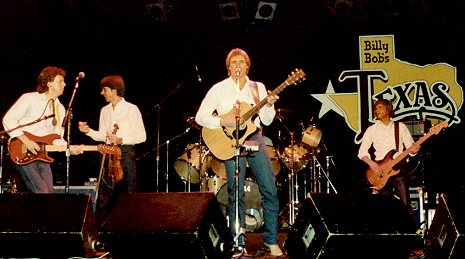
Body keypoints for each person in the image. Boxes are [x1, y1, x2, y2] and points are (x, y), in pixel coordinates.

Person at [195, 48, 283, 258]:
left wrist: (269, 106)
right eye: (233, 62)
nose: (237, 65)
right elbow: (200, 117)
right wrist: (222, 121)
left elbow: (267, 120)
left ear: (247, 66)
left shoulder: (257, 88)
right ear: (228, 69)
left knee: (269, 188)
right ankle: (238, 242)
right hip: (230, 142)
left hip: (254, 138)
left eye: (241, 62)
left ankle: (271, 241)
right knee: (236, 192)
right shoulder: (219, 89)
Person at [78, 75, 146, 228]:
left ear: (115, 90)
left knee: (128, 195)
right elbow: (103, 135)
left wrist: (121, 139)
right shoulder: (105, 110)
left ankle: (128, 231)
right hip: (109, 155)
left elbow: (142, 136)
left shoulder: (132, 109)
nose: (102, 93)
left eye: (105, 90)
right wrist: (88, 131)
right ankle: (98, 234)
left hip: (126, 154)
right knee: (104, 196)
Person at [2, 66, 83, 193]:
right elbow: (8, 119)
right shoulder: (29, 98)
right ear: (49, 83)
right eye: (60, 81)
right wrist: (27, 141)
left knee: (49, 192)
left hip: (42, 154)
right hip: (23, 150)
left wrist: (68, 148)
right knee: (42, 191)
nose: (65, 84)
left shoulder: (60, 109)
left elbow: (56, 137)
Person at [358, 98, 420, 223]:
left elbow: (410, 148)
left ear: (388, 109)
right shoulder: (372, 129)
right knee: (383, 207)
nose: (376, 110)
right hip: (379, 170)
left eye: (380, 107)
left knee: (405, 203)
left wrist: (414, 150)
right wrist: (372, 164)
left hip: (398, 168)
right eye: (375, 108)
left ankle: (412, 231)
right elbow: (362, 153)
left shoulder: (400, 127)